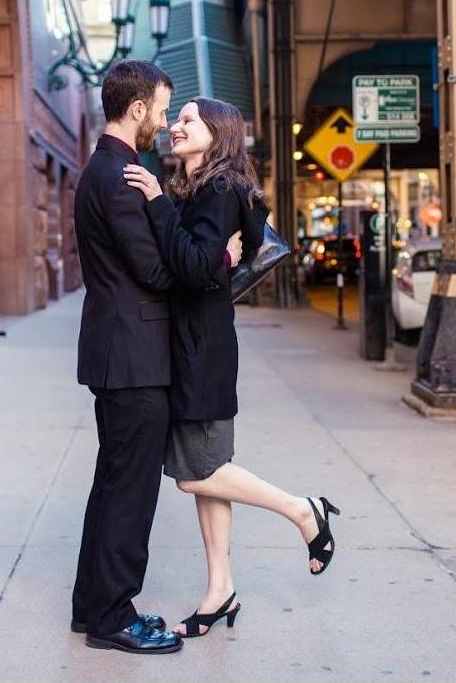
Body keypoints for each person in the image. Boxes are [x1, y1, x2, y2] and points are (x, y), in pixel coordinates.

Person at [124, 97, 339, 639]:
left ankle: (303, 510)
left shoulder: (218, 192)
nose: (176, 126)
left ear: (216, 133)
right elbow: (202, 260)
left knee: (197, 474)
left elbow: (195, 268)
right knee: (209, 472)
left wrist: (156, 204)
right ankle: (221, 591)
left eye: (188, 120)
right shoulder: (202, 190)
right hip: (196, 342)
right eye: (177, 119)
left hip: (201, 348)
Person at [71, 63, 241, 655]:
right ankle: (113, 616)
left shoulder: (106, 167)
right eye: (164, 110)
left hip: (118, 351)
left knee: (111, 481)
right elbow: (154, 270)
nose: (166, 122)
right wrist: (216, 260)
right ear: (137, 109)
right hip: (134, 358)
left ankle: (90, 603)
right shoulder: (122, 175)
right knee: (130, 490)